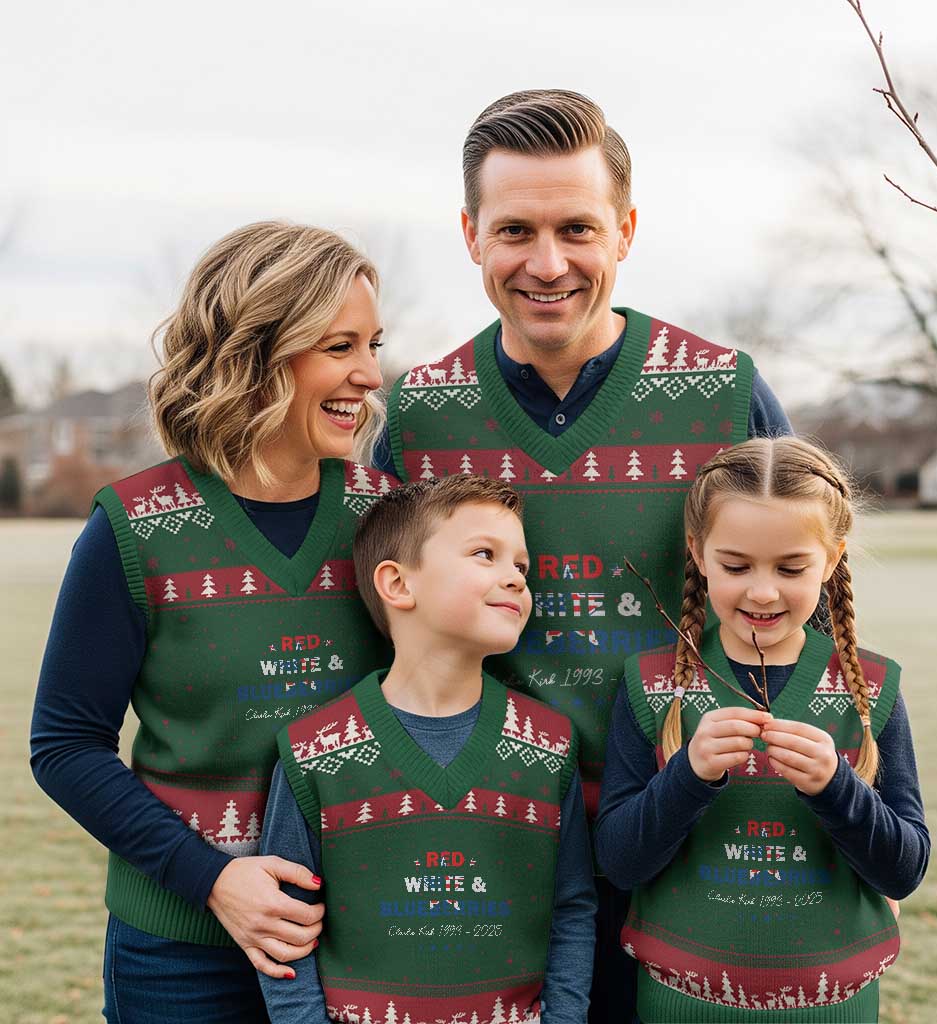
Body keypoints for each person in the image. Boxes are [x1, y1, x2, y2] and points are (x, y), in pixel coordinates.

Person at [373, 88, 793, 1022]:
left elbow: (812, 609)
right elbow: (383, 636)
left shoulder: (723, 394)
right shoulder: (420, 416)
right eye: (514, 230)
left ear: (626, 230)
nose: (547, 263)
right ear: (471, 235)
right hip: (500, 847)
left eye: (577, 228)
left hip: (698, 829)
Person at [30, 221, 400, 1023]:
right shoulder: (132, 529)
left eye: (373, 345)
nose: (371, 375)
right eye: (340, 346)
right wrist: (214, 880)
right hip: (177, 955)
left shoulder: (389, 522)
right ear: (257, 353)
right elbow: (64, 746)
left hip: (359, 942)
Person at [594, 437, 930, 1023]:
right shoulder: (652, 685)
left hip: (834, 1010)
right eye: (736, 565)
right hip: (679, 1008)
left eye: (791, 567)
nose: (763, 591)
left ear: (832, 560)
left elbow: (903, 870)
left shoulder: (870, 689)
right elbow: (620, 863)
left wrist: (837, 787)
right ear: (698, 553)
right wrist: (688, 776)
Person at [257, 474, 596, 1024]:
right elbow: (286, 928)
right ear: (397, 584)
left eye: (522, 566)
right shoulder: (312, 751)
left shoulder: (550, 744)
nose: (515, 577)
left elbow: (571, 907)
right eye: (485, 554)